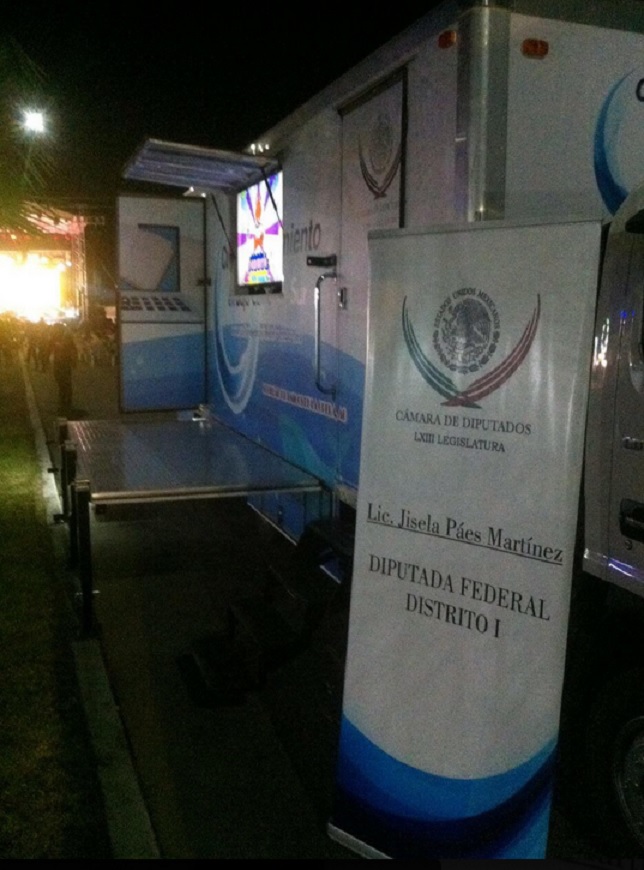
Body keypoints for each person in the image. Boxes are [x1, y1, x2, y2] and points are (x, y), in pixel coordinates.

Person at [50, 323, 78, 415]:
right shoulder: (56, 339)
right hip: (60, 364)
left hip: (63, 364)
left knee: (65, 385)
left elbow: (73, 349)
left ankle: (65, 405)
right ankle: (64, 405)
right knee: (63, 385)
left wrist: (73, 361)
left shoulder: (66, 339)